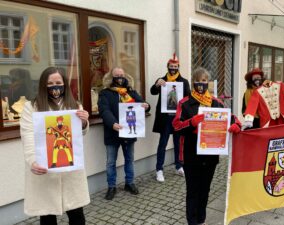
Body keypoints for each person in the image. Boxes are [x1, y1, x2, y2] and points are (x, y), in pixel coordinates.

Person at [20, 67, 90, 225]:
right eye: (50, 83)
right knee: (47, 216)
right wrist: (33, 161)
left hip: (71, 170)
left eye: (58, 82)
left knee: (77, 215)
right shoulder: (32, 107)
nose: (54, 86)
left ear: (64, 84)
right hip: (45, 169)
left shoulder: (74, 105)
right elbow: (28, 135)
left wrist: (84, 122)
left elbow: (80, 134)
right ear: (43, 85)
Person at [173, 67, 241, 225]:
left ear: (208, 82)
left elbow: (231, 118)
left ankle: (201, 220)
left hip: (210, 155)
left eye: (204, 80)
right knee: (192, 191)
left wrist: (236, 124)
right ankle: (192, 221)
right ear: (193, 82)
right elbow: (176, 126)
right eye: (197, 80)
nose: (201, 83)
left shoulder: (216, 102)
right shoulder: (184, 103)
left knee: (205, 190)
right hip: (191, 155)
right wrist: (191, 122)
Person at [98, 66, 150, 200]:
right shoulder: (105, 93)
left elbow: (142, 103)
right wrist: (113, 123)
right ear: (111, 77)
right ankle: (111, 186)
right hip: (113, 132)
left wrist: (146, 106)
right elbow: (104, 110)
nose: (120, 78)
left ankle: (130, 183)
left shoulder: (130, 92)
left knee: (129, 159)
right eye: (117, 75)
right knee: (110, 162)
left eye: (122, 75)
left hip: (128, 133)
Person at [151, 53, 190, 182]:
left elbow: (188, 98)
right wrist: (157, 84)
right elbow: (153, 91)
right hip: (165, 118)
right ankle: (159, 170)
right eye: (171, 66)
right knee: (162, 143)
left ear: (178, 67)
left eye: (175, 66)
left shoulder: (184, 82)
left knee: (178, 143)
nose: (173, 68)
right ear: (167, 66)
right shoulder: (162, 80)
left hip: (178, 118)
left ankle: (179, 166)